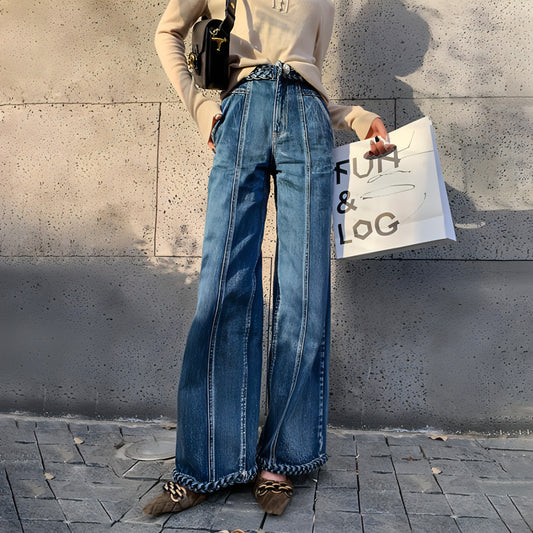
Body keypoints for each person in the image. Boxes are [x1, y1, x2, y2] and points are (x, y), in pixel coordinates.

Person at [144, 0, 394, 518]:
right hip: (240, 114)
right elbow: (167, 32)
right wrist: (201, 107)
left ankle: (283, 458)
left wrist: (360, 118)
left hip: (308, 123)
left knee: (305, 290)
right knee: (222, 284)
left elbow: (308, 82)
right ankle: (206, 464)